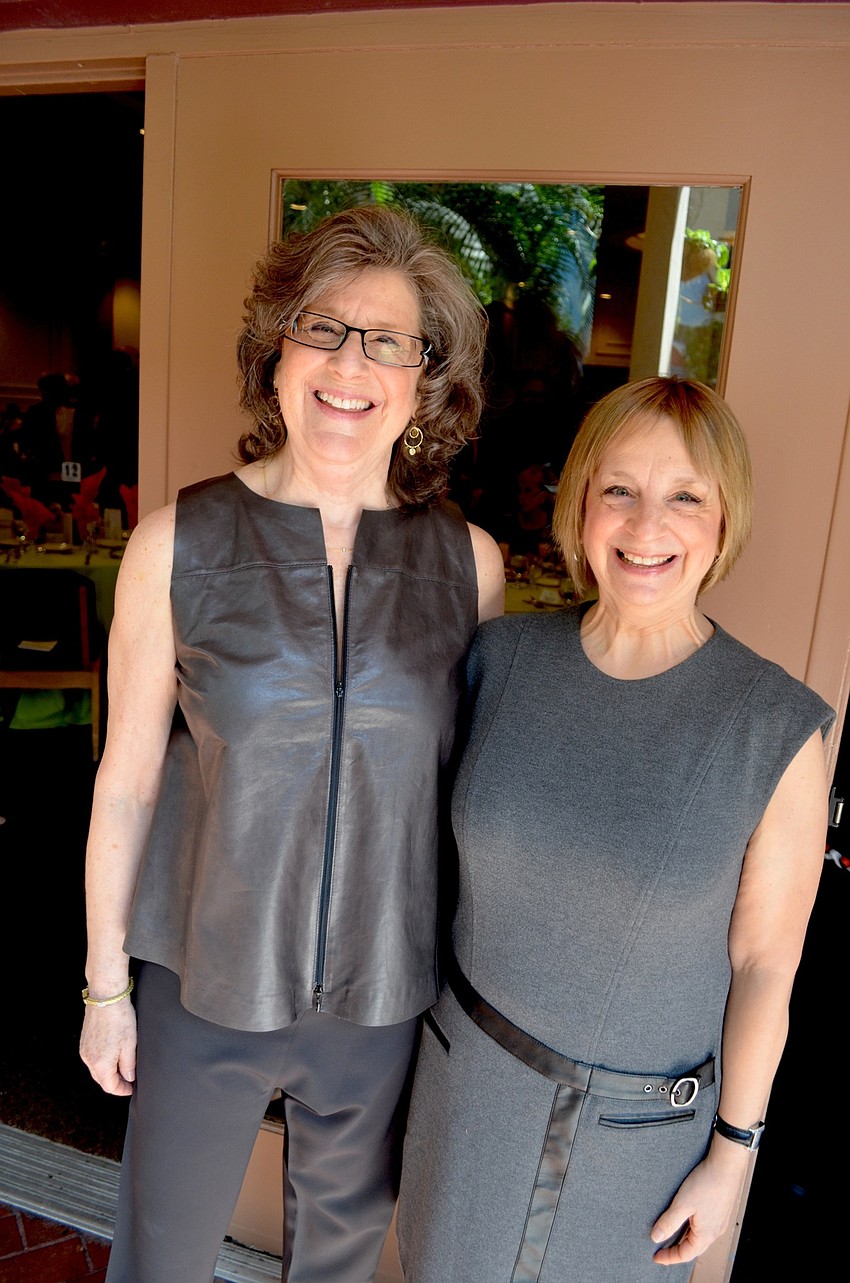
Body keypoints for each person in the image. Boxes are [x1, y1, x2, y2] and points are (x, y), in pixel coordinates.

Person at [79, 204, 505, 1283]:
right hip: (203, 975)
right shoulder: (175, 544)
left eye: (387, 341)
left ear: (425, 380)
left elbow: (471, 799)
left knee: (340, 1263)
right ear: (276, 350)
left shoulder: (468, 566)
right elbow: (126, 782)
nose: (348, 364)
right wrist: (104, 986)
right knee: (160, 1255)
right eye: (323, 328)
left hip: (383, 987)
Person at [397, 376, 833, 1282]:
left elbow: (766, 964)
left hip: (636, 1156)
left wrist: (735, 1153)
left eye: (685, 497)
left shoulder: (775, 728)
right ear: (582, 505)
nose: (646, 525)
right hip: (466, 1099)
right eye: (620, 489)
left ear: (725, 519)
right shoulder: (499, 659)